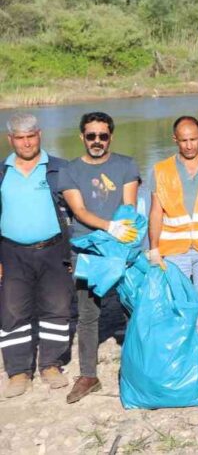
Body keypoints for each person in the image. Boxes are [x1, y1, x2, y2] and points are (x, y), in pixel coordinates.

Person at [59, 111, 141, 404]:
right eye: (91, 135)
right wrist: (109, 227)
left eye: (102, 136)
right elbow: (79, 212)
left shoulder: (127, 165)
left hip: (122, 248)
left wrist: (121, 234)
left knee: (130, 307)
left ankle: (136, 365)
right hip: (88, 251)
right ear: (82, 136)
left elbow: (129, 207)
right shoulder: (69, 171)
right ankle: (88, 375)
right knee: (87, 314)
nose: (97, 141)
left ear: (110, 137)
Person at [0, 113, 73, 398]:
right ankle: (19, 371)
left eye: (31, 136)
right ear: (11, 140)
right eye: (20, 137)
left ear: (39, 135)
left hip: (53, 248)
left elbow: (79, 209)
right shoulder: (3, 172)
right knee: (12, 309)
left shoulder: (59, 169)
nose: (27, 142)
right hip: (11, 252)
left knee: (57, 306)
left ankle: (51, 365)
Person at [147, 116, 198, 358]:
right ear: (175, 140)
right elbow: (156, 211)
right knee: (178, 305)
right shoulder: (160, 170)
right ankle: (180, 354)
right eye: (183, 140)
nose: (189, 145)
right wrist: (153, 248)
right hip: (174, 250)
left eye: (193, 139)